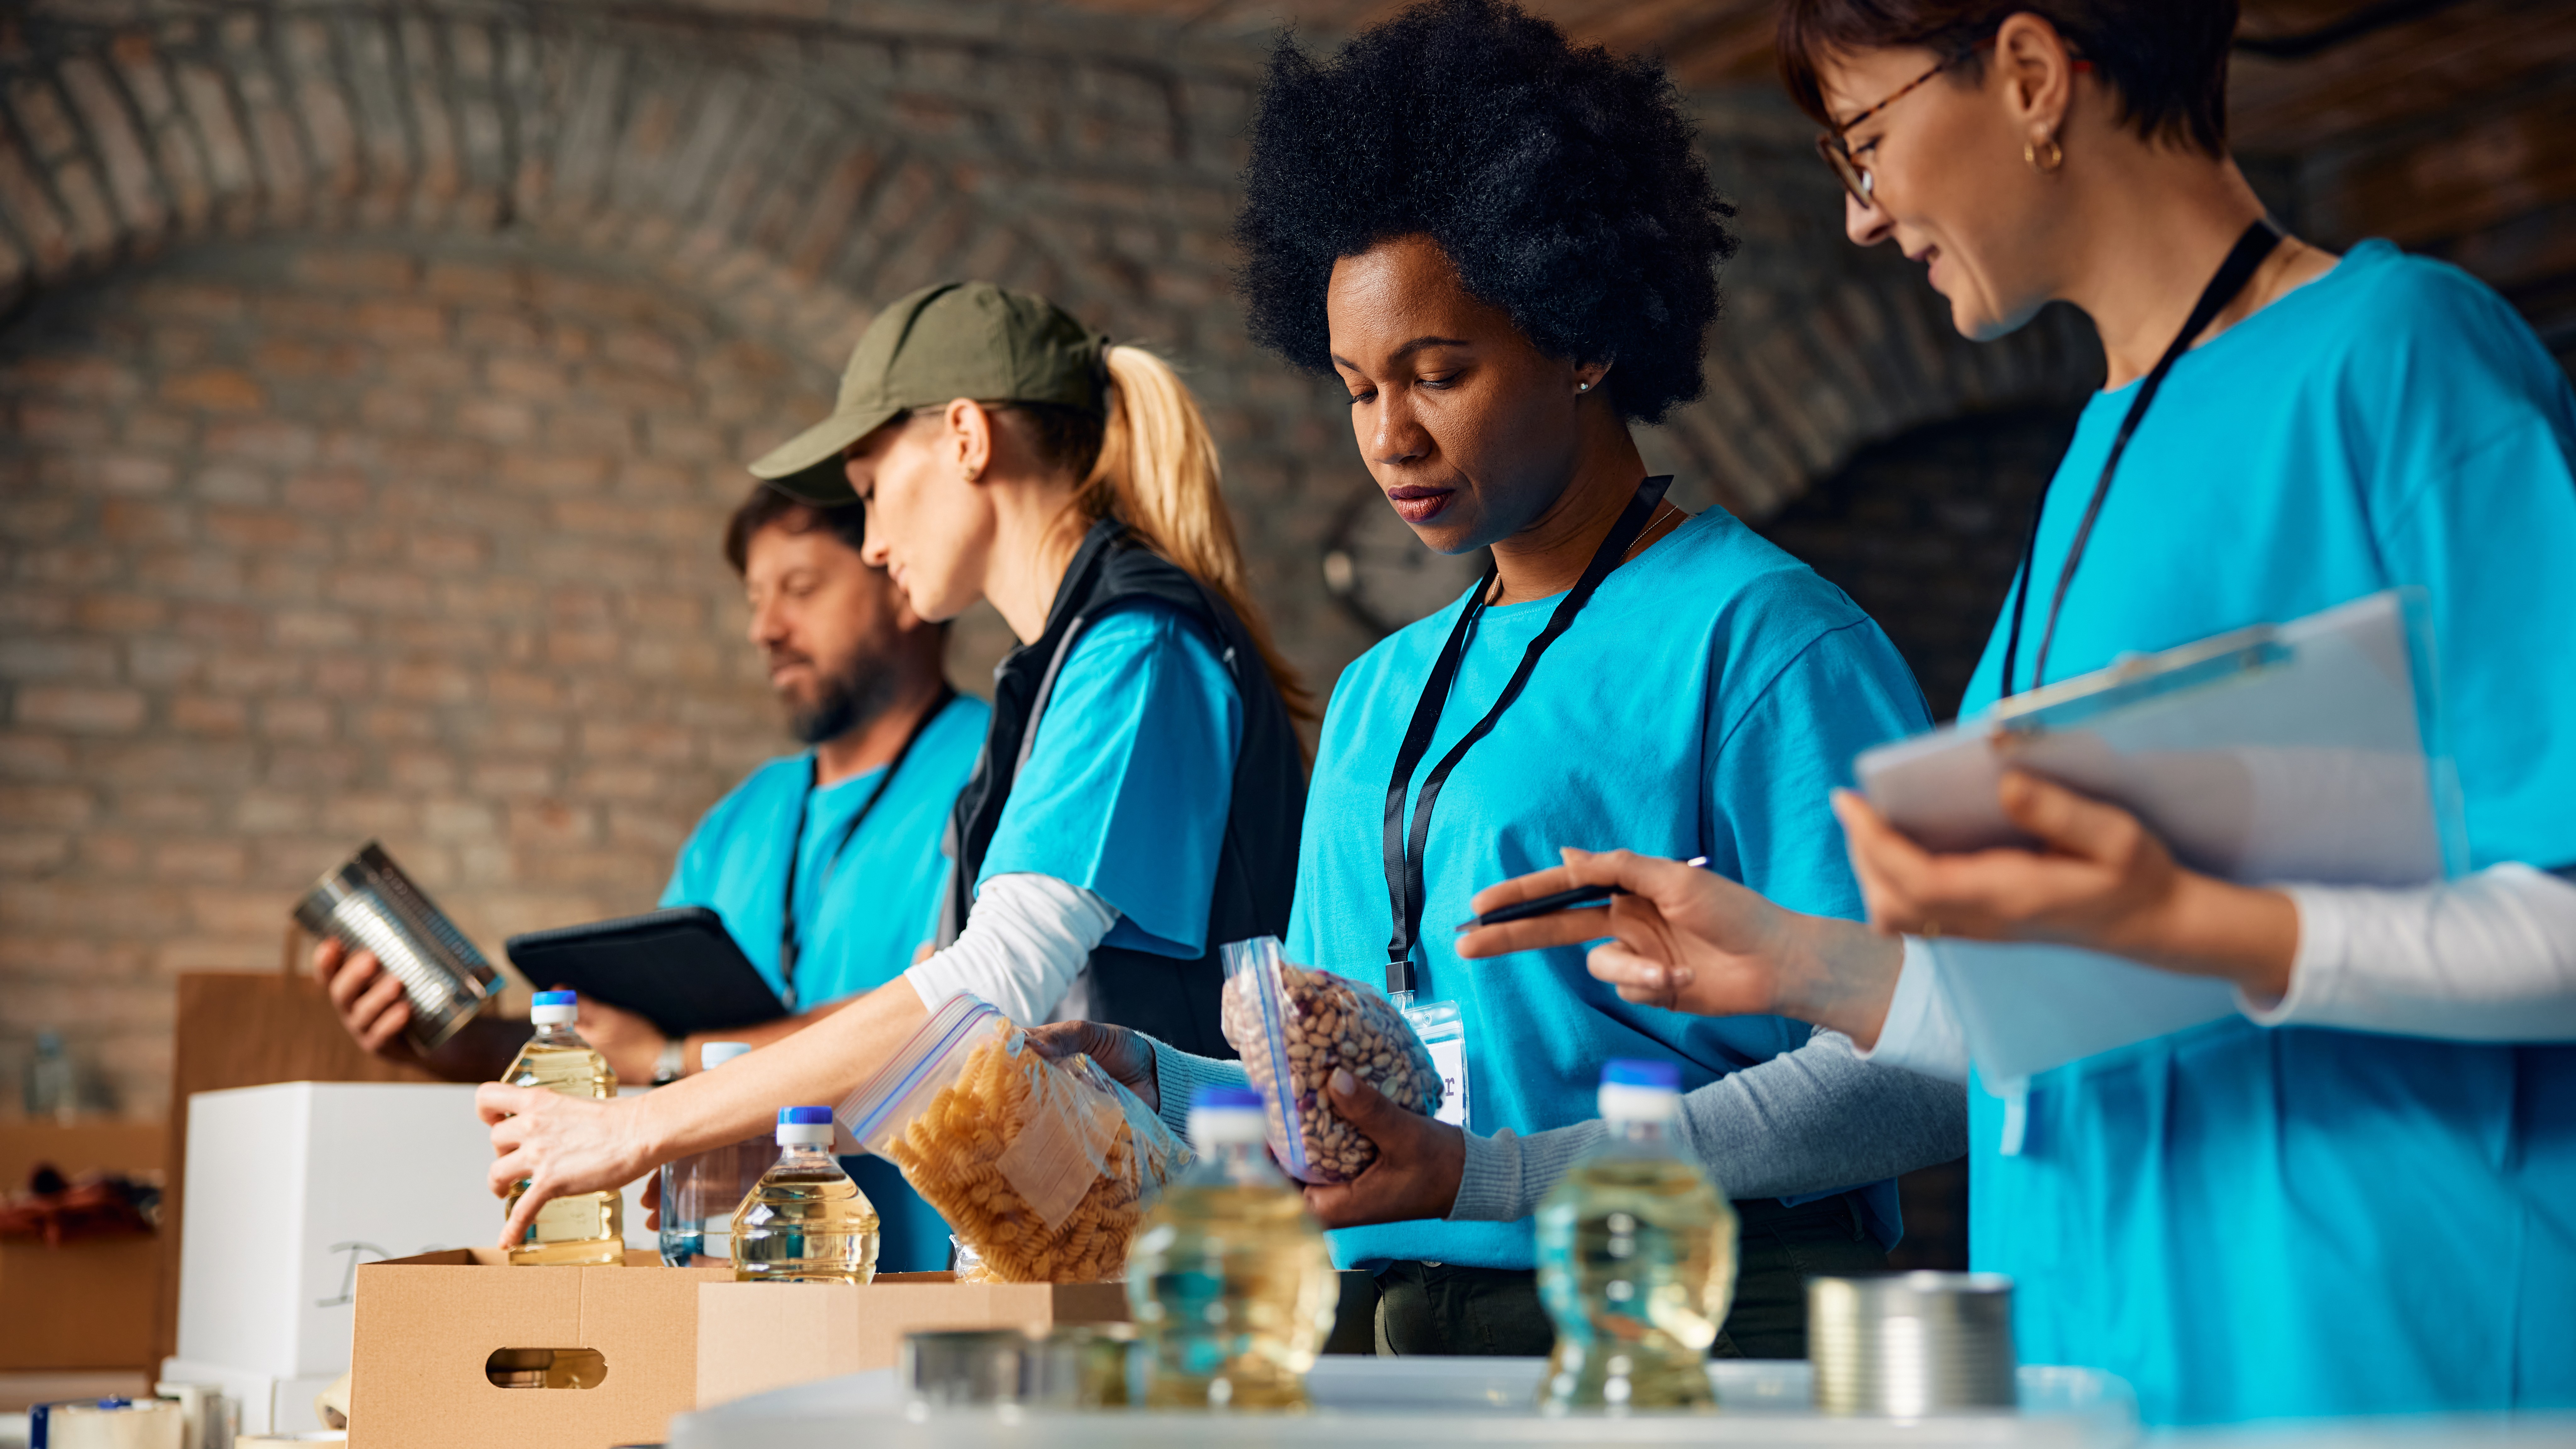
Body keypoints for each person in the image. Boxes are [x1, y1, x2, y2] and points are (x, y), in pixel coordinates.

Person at [1459, 0, 2576, 1424]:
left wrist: (2206, 925)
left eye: (1864, 142)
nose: (1862, 216)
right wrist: (1796, 964)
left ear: (2035, 75)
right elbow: (2064, 1007)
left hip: (2366, 1356)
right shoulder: (2095, 465)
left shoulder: (2397, 356)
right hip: (2109, 1364)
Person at [1048, 0, 1966, 1360]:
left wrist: (1505, 1179)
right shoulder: (1376, 692)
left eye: (1438, 373)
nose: (1390, 438)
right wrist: (1169, 1087)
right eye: (1358, 389)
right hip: (1381, 1319)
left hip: (1675, 1321)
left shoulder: (1764, 640)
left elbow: (1919, 1077)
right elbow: (1356, 1082)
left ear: (1584, 338)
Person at [477, 281, 1311, 1252]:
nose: (873, 540)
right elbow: (982, 1048)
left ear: (966, 438)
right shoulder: (1046, 679)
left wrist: (643, 1123)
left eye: (872, 490)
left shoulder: (1138, 650)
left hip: (1205, 1276)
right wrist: (786, 1134)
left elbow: (987, 987)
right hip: (1105, 1258)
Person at [314, 482, 987, 1268]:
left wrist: (671, 1059)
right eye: (756, 599)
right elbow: (612, 1046)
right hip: (734, 1278)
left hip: (922, 1279)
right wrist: (430, 1042)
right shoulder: (742, 818)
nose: (766, 629)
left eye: (801, 590)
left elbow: (953, 1017)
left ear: (900, 582)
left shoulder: (994, 774)